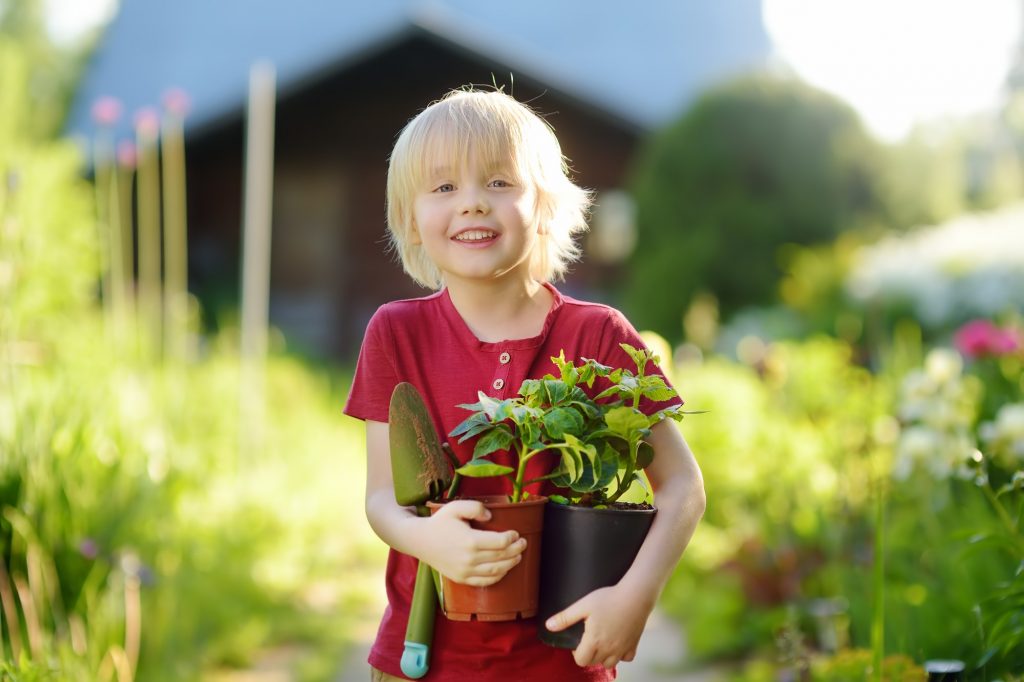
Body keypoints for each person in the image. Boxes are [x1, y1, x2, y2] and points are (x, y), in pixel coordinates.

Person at [343, 87, 706, 681]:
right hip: (424, 665)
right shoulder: (395, 333)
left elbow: (682, 487)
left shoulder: (597, 337)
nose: (471, 205)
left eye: (498, 182)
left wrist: (634, 599)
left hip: (561, 664)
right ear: (411, 219)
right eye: (442, 188)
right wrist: (427, 539)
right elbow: (383, 500)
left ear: (544, 205)